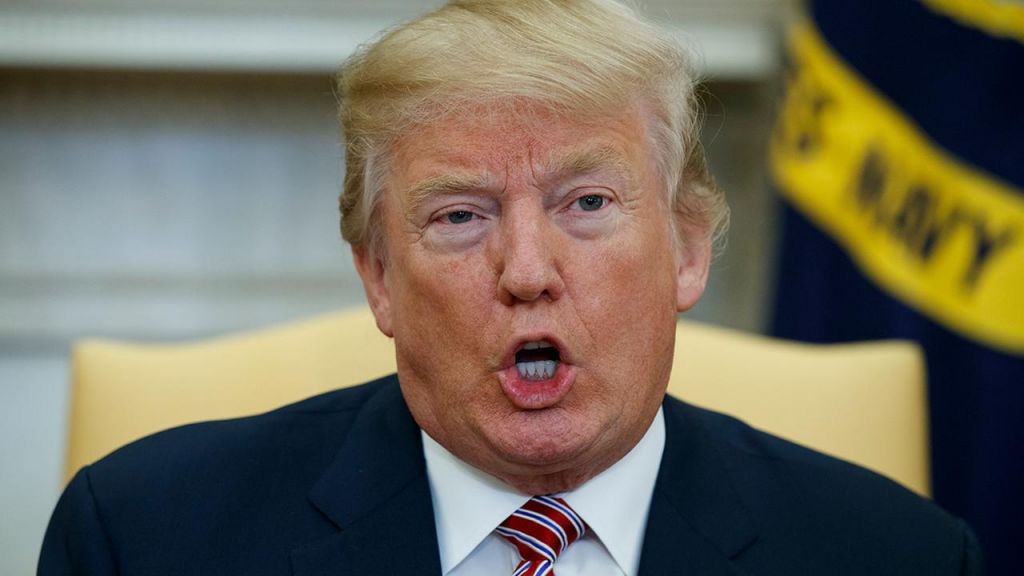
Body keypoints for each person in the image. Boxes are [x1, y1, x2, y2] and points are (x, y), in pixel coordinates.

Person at [39, 1, 982, 574]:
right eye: (460, 216)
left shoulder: (899, 559)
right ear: (378, 278)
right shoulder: (145, 540)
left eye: (587, 202)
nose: (527, 272)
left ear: (688, 250)